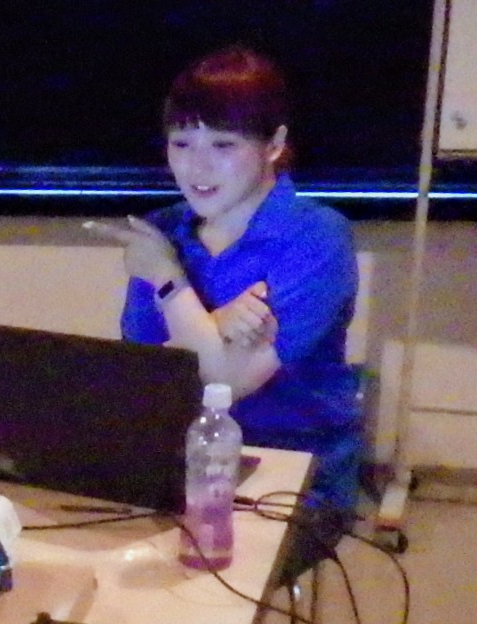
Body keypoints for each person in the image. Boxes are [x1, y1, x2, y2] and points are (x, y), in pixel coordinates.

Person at [90, 45, 362, 564]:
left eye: (223, 144)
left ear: (274, 144)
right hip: (176, 457)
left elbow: (226, 383)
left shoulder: (317, 238)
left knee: (198, 578)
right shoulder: (165, 229)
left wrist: (169, 281)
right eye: (181, 143)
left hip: (292, 465)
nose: (197, 166)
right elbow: (144, 373)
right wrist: (214, 323)